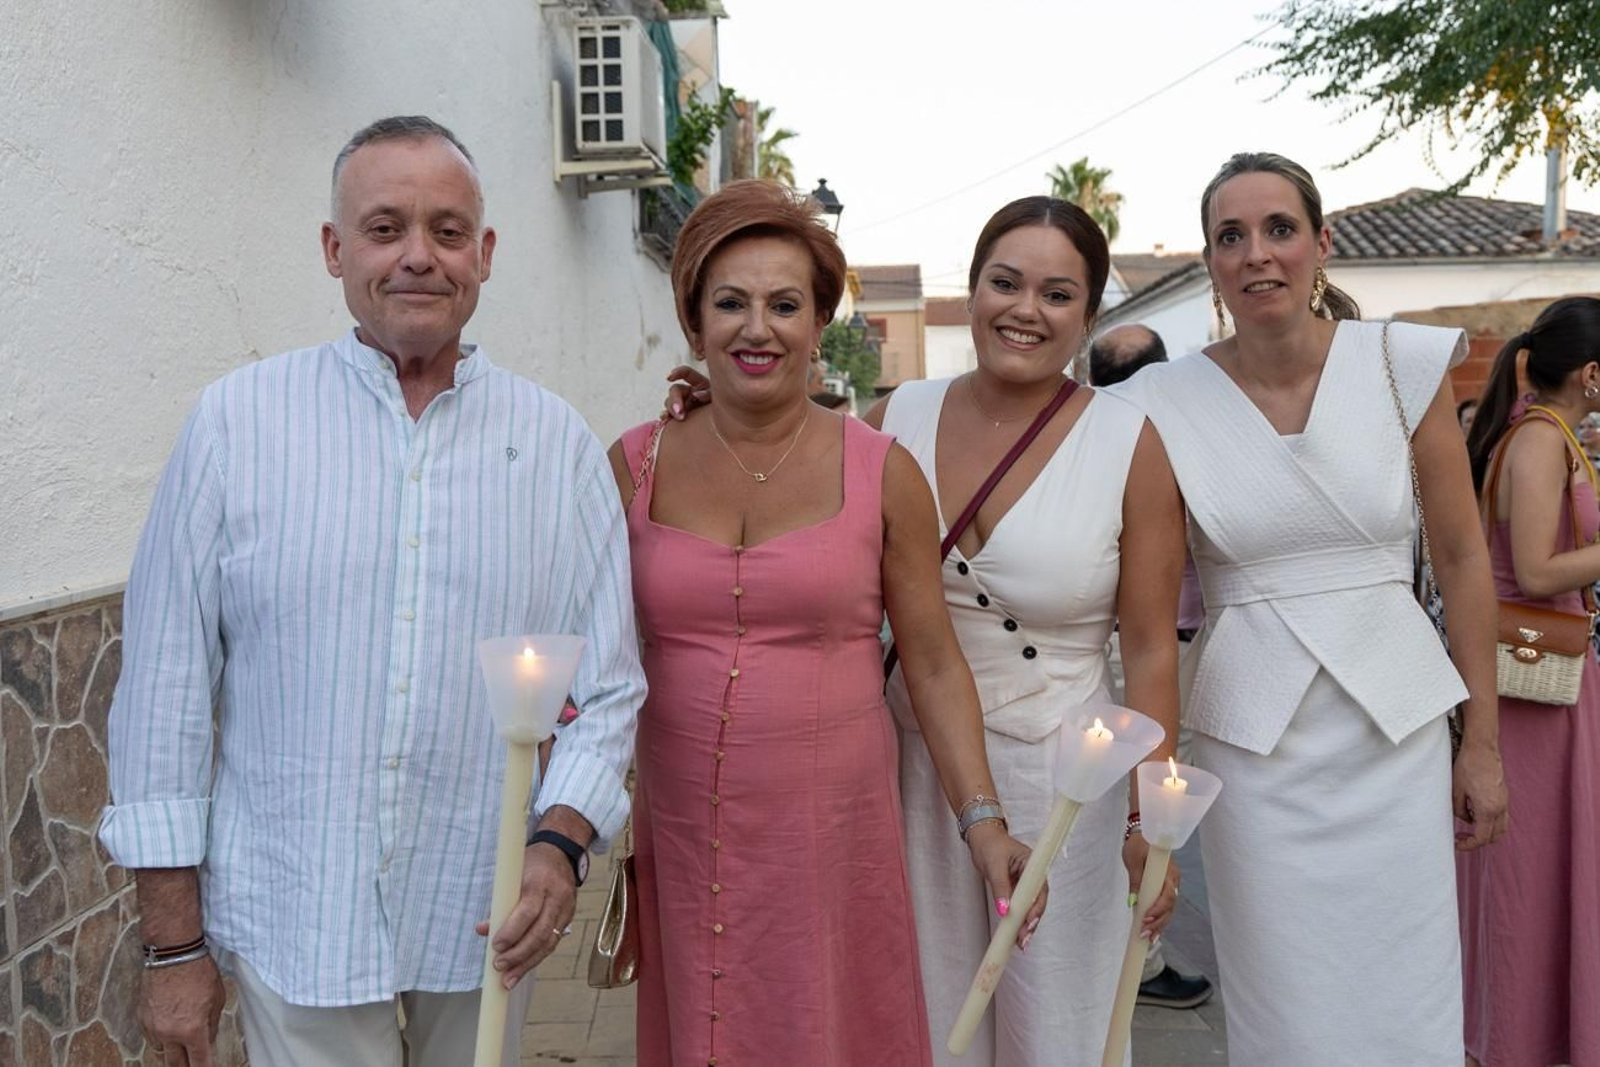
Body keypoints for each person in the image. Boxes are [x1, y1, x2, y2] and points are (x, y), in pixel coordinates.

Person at [98, 116, 645, 1067]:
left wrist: (560, 845)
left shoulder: (554, 446)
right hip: (293, 908)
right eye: (385, 228)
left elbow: (610, 687)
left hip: (484, 907)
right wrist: (173, 947)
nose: (417, 258)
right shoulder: (236, 426)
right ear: (334, 248)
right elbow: (163, 699)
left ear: (485, 252)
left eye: (446, 230)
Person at [664, 196, 1185, 1066]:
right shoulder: (899, 413)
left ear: (1089, 315)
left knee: (1053, 1027)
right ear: (972, 289)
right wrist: (709, 411)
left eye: (1057, 294)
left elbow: (1151, 646)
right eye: (1005, 282)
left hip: (1064, 780)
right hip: (904, 772)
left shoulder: (1129, 442)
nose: (1025, 309)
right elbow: (795, 466)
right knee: (917, 1017)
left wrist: (1148, 818)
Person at [608, 179, 1046, 1066]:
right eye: (730, 303)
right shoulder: (634, 461)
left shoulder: (884, 471)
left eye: (784, 305)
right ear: (694, 325)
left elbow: (930, 662)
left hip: (829, 826)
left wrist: (984, 821)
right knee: (706, 1022)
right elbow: (590, 652)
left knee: (826, 1026)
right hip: (686, 825)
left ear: (819, 323)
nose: (757, 328)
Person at [1109, 151, 1505, 1065]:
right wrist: (1152, 810)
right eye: (1231, 236)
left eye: (1280, 229)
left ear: (1322, 243)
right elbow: (1148, 629)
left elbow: (1461, 558)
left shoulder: (1402, 363)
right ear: (1208, 261)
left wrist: (1480, 742)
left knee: (1408, 995)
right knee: (1284, 1003)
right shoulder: (1160, 403)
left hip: (1395, 736)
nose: (1259, 254)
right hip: (1258, 752)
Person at [1460, 296, 1600, 1067]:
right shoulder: (1543, 440)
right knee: (1531, 877)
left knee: (1533, 874)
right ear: (1591, 373)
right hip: (1535, 689)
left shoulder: (1539, 435)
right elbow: (1540, 571)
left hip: (1538, 684)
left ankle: (1523, 1033)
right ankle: (1518, 1037)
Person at [1088, 324, 1214, 1013]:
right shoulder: (1168, 441)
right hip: (1162, 642)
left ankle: (1135, 953)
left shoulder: (1089, 436)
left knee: (1120, 802)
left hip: (1108, 644)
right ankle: (1141, 959)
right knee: (1151, 804)